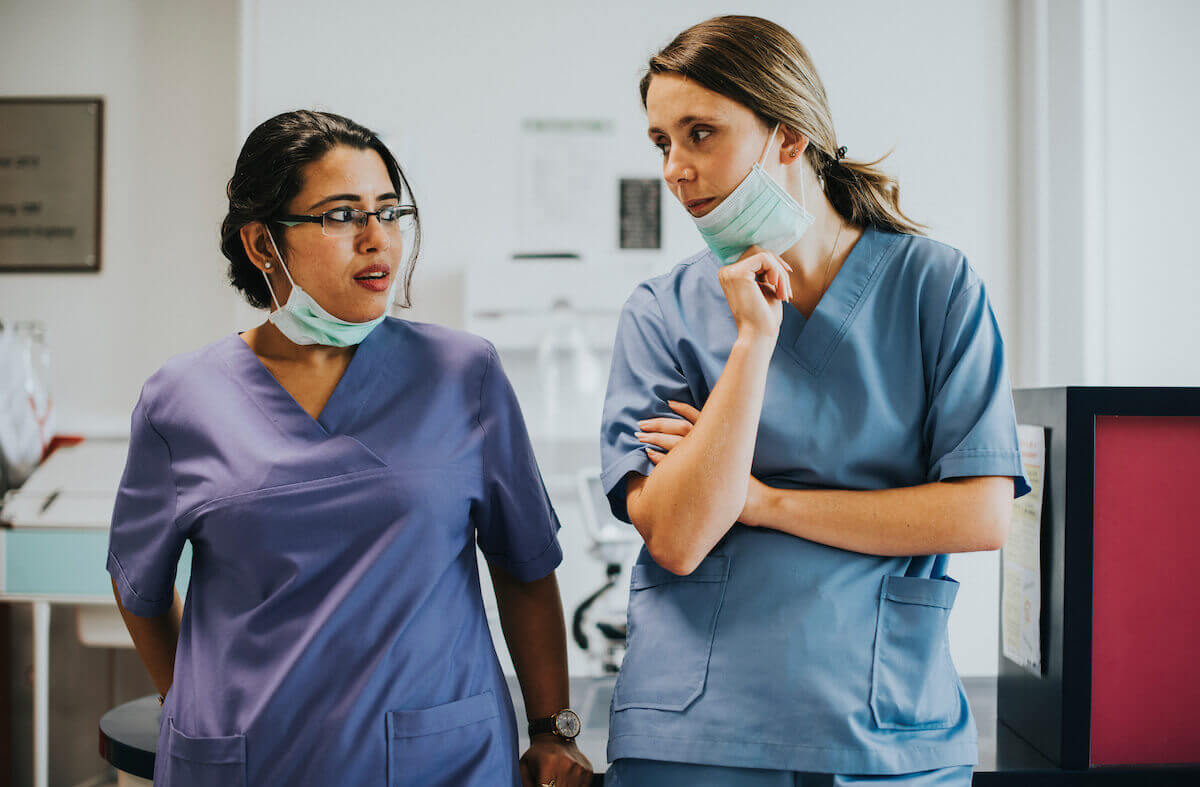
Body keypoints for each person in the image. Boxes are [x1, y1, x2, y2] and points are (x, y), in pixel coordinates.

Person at [600, 16, 1029, 787]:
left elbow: (978, 514)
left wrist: (759, 500)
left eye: (701, 133)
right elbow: (678, 535)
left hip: (882, 730)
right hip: (695, 736)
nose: (675, 169)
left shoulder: (933, 287)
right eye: (662, 142)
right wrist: (751, 345)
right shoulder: (663, 311)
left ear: (788, 136)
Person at [106, 110, 592, 787]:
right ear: (261, 243)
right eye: (340, 215)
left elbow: (525, 566)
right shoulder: (181, 400)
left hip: (439, 761)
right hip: (249, 763)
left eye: (389, 212)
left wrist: (551, 727)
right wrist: (199, 704)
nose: (376, 239)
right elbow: (140, 586)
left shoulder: (463, 374)